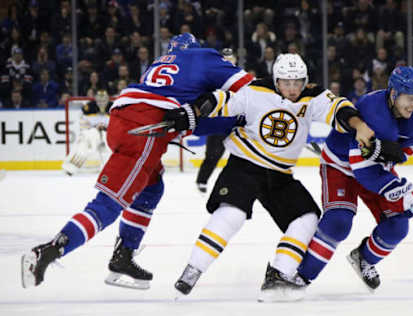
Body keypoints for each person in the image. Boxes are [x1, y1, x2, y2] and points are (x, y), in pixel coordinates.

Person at [21, 33, 254, 290]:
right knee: (108, 203)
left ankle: (124, 256)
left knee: (152, 186)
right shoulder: (201, 57)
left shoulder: (157, 66)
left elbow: (187, 121)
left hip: (128, 120)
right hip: (145, 128)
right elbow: (251, 88)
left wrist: (232, 121)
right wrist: (243, 117)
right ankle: (49, 250)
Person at [174, 53, 376, 302]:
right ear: (276, 79)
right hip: (244, 165)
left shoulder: (313, 96)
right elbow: (221, 100)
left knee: (307, 218)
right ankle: (193, 269)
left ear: (305, 80)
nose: (292, 88)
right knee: (232, 214)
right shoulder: (255, 90)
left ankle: (279, 274)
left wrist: (358, 125)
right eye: (286, 82)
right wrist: (192, 110)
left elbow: (339, 109)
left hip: (280, 174)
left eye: (297, 82)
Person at [296, 66, 413, 294]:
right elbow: (361, 170)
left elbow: (408, 148)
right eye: (408, 98)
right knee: (338, 222)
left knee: (398, 224)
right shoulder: (373, 110)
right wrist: (396, 188)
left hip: (374, 169)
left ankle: (364, 258)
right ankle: (300, 277)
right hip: (342, 165)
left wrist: (392, 155)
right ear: (394, 94)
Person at [195, 48, 237, 193]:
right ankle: (202, 179)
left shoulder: (239, 78)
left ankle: (235, 183)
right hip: (218, 119)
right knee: (214, 153)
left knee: (242, 154)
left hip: (236, 120)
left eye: (231, 60)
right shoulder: (212, 78)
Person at [62, 90, 113, 176]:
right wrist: (91, 129)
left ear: (108, 99)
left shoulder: (113, 107)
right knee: (82, 148)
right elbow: (82, 122)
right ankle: (70, 168)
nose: (101, 102)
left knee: (108, 150)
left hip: (107, 133)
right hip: (92, 132)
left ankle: (107, 169)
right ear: (96, 99)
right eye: (99, 100)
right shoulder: (88, 107)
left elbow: (117, 123)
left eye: (104, 100)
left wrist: (107, 128)